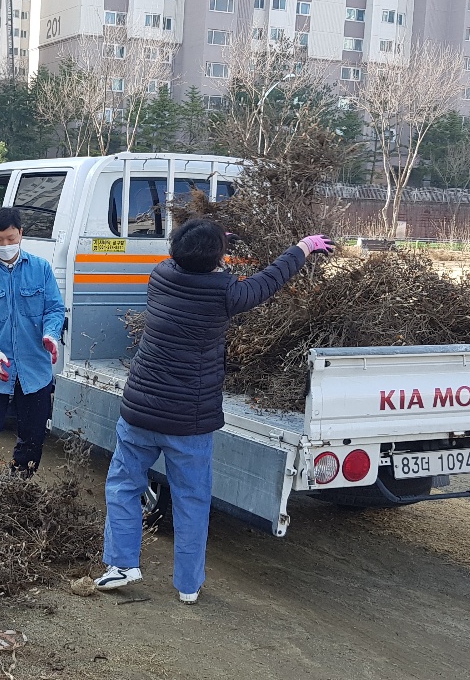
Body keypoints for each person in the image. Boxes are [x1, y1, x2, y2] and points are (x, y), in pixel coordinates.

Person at [94, 219, 334, 603]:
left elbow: (191, 259)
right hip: (189, 420)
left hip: (140, 410)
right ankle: (188, 586)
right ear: (217, 260)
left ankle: (121, 564)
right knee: (191, 499)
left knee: (124, 485)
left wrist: (214, 244)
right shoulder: (226, 293)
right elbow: (269, 280)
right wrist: (303, 247)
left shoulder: (160, 276)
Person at [0, 206, 66, 477]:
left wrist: (51, 334)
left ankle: (18, 489)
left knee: (32, 437)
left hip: (34, 368)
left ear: (21, 233)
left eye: (10, 238)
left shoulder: (41, 269)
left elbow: (55, 309)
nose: (5, 245)